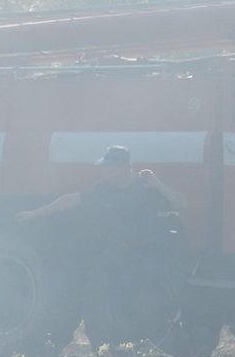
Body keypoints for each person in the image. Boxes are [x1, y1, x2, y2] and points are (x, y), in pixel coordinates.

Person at [15, 145, 188, 346]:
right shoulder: (104, 188)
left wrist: (158, 184)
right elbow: (71, 200)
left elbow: (181, 204)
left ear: (124, 167)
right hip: (117, 256)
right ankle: (102, 347)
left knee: (141, 307)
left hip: (147, 258)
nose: (106, 173)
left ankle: (144, 346)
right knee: (94, 297)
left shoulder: (146, 188)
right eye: (104, 168)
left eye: (110, 168)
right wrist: (35, 213)